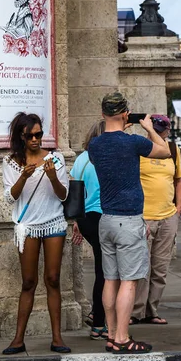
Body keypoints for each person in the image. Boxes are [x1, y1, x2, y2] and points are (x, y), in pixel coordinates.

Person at [88, 92, 171, 354]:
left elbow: (106, 154)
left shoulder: (95, 146)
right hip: (129, 219)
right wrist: (148, 128)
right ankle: (123, 338)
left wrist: (118, 128)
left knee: (110, 279)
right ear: (126, 113)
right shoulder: (134, 142)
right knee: (129, 281)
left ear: (102, 114)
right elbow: (165, 151)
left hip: (106, 220)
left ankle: (112, 333)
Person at [2, 112, 70, 355]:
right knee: (28, 282)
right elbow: (11, 197)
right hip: (27, 226)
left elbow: (63, 195)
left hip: (53, 222)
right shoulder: (11, 162)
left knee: (53, 278)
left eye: (39, 134)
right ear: (21, 136)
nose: (35, 139)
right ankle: (18, 339)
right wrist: (23, 176)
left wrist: (52, 177)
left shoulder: (56, 159)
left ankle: (57, 338)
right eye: (30, 135)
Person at [131, 115, 181, 325]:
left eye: (163, 129)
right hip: (144, 216)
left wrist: (178, 208)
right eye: (156, 129)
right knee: (141, 268)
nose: (160, 133)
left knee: (160, 267)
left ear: (168, 130)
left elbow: (178, 179)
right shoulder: (140, 148)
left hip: (167, 215)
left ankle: (152, 311)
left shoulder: (172, 150)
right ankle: (136, 312)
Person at [71, 120, 108, 341]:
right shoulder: (106, 158)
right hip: (104, 215)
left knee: (102, 269)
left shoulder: (81, 159)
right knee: (107, 273)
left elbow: (76, 192)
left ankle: (98, 316)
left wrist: (77, 221)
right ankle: (99, 322)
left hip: (86, 218)